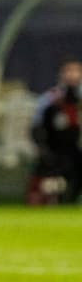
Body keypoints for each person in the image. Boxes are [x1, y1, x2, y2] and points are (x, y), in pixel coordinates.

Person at [29, 59, 82, 204]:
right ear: (61, 74)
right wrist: (42, 149)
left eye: (76, 71)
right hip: (55, 150)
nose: (72, 75)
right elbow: (36, 128)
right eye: (68, 71)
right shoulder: (50, 99)